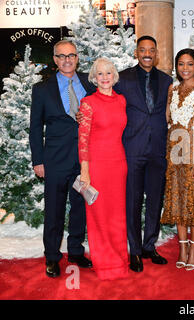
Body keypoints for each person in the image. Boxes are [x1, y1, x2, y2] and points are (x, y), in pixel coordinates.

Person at [29, 40, 95, 278]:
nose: (68, 60)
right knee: (54, 211)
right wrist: (38, 160)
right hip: (54, 160)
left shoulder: (91, 83)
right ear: (55, 60)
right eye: (62, 56)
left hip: (84, 159)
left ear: (77, 58)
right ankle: (52, 257)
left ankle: (76, 251)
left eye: (72, 55)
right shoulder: (42, 89)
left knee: (79, 208)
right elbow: (35, 127)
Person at [117, 36, 173, 272]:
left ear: (156, 53)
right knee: (132, 201)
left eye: (151, 50)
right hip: (132, 149)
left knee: (155, 200)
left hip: (158, 149)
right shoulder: (123, 78)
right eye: (143, 50)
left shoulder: (167, 80)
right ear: (136, 53)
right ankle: (135, 250)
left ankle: (150, 245)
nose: (147, 53)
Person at [160, 48, 194, 271]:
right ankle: (182, 247)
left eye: (190, 64)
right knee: (177, 199)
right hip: (174, 151)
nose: (185, 68)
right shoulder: (172, 88)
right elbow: (167, 119)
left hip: (193, 151)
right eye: (181, 64)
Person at [78, 57, 128, 280]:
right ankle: (105, 264)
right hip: (96, 166)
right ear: (94, 77)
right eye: (100, 73)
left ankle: (119, 261)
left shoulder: (122, 101)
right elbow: (83, 140)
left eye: (108, 73)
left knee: (117, 215)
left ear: (114, 76)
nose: (105, 77)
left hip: (119, 164)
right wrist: (85, 170)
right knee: (99, 215)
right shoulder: (88, 103)